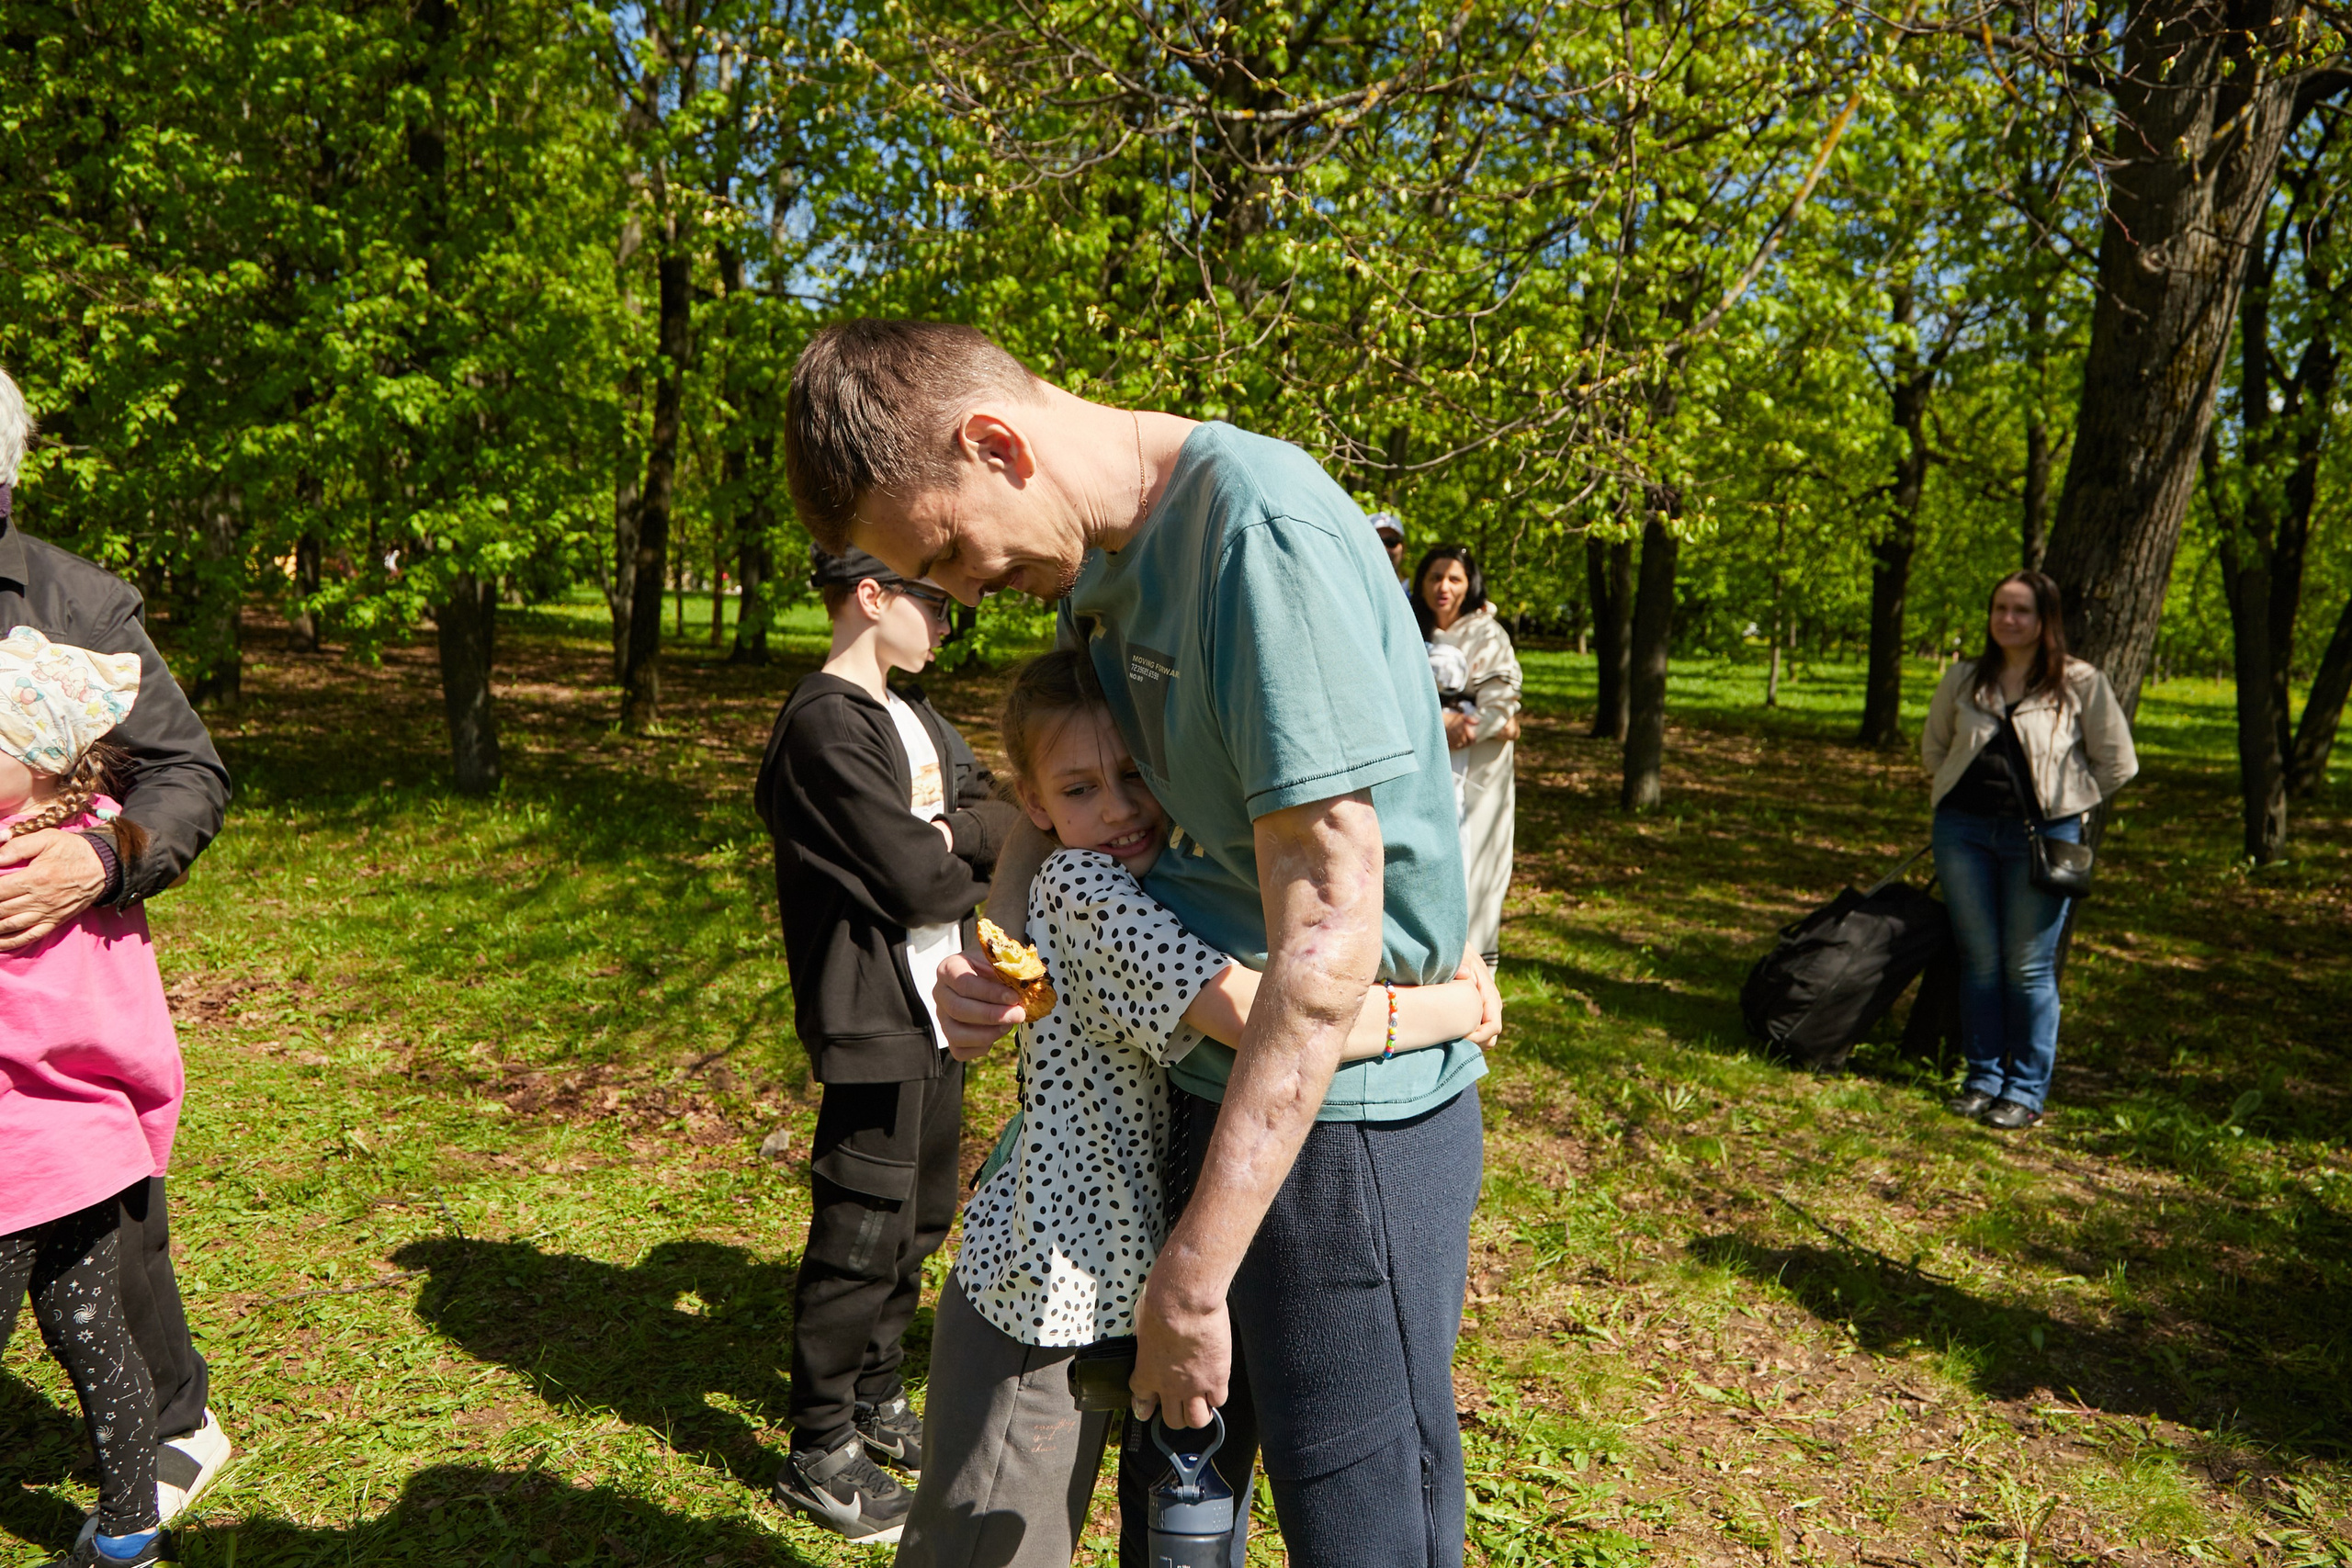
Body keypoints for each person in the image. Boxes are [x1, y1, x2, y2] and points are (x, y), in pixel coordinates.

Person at [784, 319, 1501, 1568]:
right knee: (1183, 1517)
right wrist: (1001, 944)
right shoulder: (1098, 561)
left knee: (1361, 1521)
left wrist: (1190, 1275)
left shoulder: (1254, 535)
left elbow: (1326, 923)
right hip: (1195, 1096)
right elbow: (1047, 815)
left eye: (947, 550)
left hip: (1345, 1132)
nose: (965, 592)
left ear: (995, 443)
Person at [898, 651, 1492, 1568]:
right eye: (1081, 789)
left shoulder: (1136, 877)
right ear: (1036, 806)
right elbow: (1265, 1019)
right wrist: (1455, 1006)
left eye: (1135, 775)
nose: (1119, 809)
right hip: (1042, 1283)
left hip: (1086, 1267)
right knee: (991, 1544)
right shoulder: (1089, 892)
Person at [0, 367, 235, 1537]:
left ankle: (175, 1418)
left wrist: (99, 860)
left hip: (52, 993)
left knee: (94, 1203)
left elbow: (188, 772)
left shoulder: (73, 603)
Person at [752, 546, 1018, 1544]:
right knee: (861, 1228)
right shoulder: (824, 725)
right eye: (937, 605)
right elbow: (915, 879)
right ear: (873, 596)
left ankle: (874, 1398)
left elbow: (1004, 815)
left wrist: (953, 836)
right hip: (873, 1012)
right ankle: (819, 1448)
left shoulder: (915, 715)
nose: (949, 625)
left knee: (919, 1216)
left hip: (940, 1006)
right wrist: (955, 845)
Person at [1, 627, 181, 1568]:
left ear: (39, 764)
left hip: (14, 1164)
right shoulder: (100, 847)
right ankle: (128, 1533)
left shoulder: (20, 877)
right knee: (91, 1334)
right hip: (89, 1149)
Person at [1921, 570, 2137, 1130]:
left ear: (2045, 621)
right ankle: (1982, 1080)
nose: (2008, 619)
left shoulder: (2080, 682)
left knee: (2028, 966)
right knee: (1981, 961)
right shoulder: (1964, 678)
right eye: (2000, 608)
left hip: (2043, 841)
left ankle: (2024, 1090)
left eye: (2021, 610)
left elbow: (2119, 762)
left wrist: (2069, 804)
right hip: (1963, 834)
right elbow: (1934, 749)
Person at [1412, 546, 1521, 966]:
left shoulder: (1487, 633)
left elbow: (1502, 706)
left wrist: (1467, 729)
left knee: (1474, 858)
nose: (1444, 587)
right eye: (1435, 577)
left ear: (1469, 584)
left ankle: (1471, 968)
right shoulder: (1407, 625)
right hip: (1419, 762)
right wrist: (1439, 723)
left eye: (1454, 578)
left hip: (1478, 767)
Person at [1369, 511, 1407, 583]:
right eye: (1376, 542)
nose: (1384, 549)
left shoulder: (1416, 588)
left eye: (1391, 542)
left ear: (1404, 548)